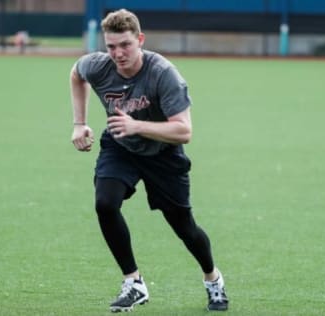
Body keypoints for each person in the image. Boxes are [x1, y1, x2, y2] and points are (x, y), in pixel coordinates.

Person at [69, 8, 229, 313]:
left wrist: (137, 126)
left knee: (184, 227)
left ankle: (212, 278)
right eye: (111, 46)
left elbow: (184, 131)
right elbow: (77, 74)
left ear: (140, 40)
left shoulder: (163, 73)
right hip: (120, 146)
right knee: (105, 203)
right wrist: (79, 122)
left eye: (125, 45)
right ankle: (134, 282)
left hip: (163, 153)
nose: (118, 53)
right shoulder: (99, 66)